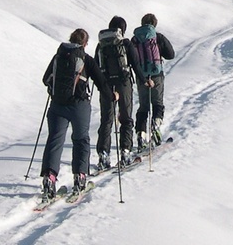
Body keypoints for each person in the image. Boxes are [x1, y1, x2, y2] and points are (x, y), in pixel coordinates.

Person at [40, 28, 111, 200]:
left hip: (57, 105)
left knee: (55, 140)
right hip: (79, 106)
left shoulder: (58, 56)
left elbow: (45, 79)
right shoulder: (86, 59)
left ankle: (49, 178)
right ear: (85, 43)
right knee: (81, 140)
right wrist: (112, 96)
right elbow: (101, 83)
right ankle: (80, 177)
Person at [93, 16, 145, 170]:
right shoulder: (125, 43)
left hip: (106, 85)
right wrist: (144, 80)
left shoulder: (100, 45)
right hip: (124, 83)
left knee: (106, 119)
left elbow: (96, 67)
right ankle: (125, 151)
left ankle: (103, 154)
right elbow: (135, 64)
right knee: (126, 118)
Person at [132, 13, 175, 149]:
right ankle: (156, 124)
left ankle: (141, 134)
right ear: (154, 24)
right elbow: (171, 54)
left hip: (141, 77)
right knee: (157, 103)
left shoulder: (134, 39)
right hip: (156, 75)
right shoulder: (158, 37)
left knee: (143, 107)